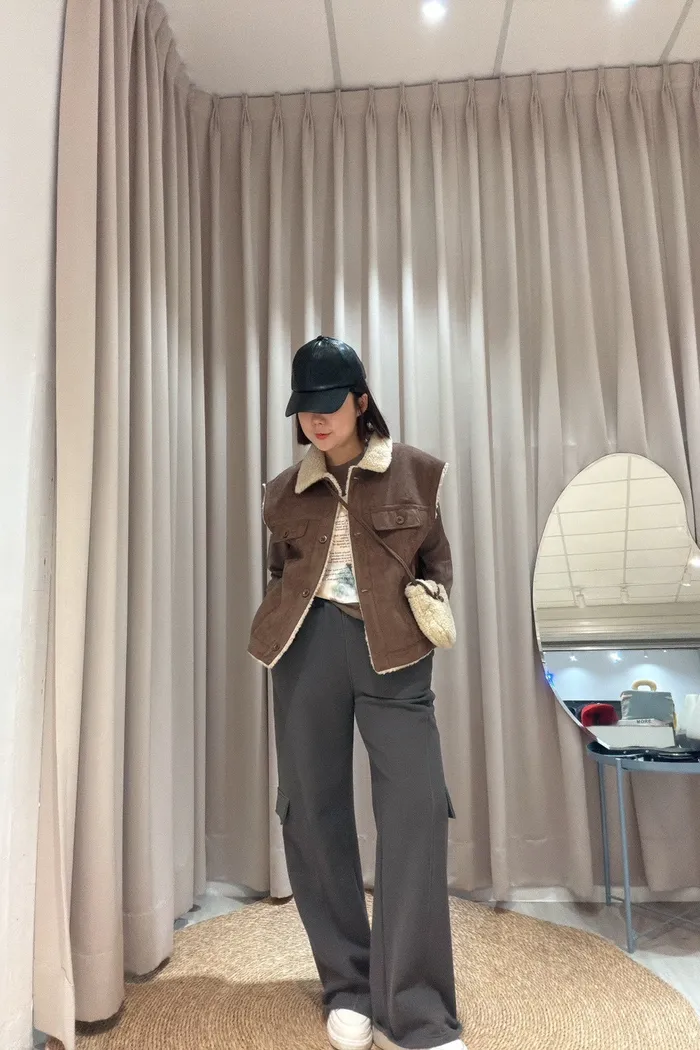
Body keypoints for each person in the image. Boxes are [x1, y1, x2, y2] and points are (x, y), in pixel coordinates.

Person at [248, 336, 465, 1050]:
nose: (316, 418)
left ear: (360, 400)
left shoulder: (417, 472)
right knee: (311, 813)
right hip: (305, 649)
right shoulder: (281, 491)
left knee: (416, 811)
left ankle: (417, 1009)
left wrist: (427, 602)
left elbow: (436, 562)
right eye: (304, 407)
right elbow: (280, 570)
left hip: (395, 653)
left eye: (329, 403)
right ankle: (347, 984)